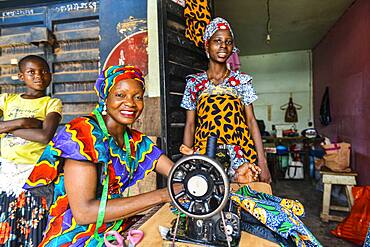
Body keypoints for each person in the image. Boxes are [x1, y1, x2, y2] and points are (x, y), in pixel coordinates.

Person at [23, 65, 177, 246]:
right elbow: (83, 213)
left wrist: (194, 180)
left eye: (137, 97)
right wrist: (164, 195)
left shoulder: (133, 140)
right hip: (75, 237)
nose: (130, 103)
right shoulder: (82, 135)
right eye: (120, 95)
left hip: (112, 230)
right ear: (105, 97)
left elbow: (177, 172)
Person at [180, 17, 271, 183]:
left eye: (228, 42)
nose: (223, 46)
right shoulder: (194, 83)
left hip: (242, 156)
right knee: (208, 199)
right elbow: (190, 125)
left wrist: (262, 163)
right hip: (206, 156)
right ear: (207, 45)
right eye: (217, 41)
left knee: (243, 203)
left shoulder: (242, 81)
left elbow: (251, 121)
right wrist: (186, 162)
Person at [0, 55, 62, 246]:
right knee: (6, 225)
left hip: (36, 175)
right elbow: (36, 130)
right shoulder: (6, 100)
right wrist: (24, 122)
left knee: (34, 227)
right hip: (6, 175)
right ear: (21, 76)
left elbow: (44, 135)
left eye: (43, 71)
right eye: (31, 72)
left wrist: (8, 127)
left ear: (50, 75)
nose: (38, 76)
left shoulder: (51, 103)